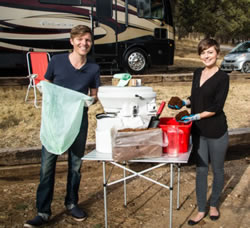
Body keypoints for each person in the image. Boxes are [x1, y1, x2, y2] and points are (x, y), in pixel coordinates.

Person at [24, 25, 100, 227]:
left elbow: (94, 95)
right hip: (55, 121)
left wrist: (90, 101)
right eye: (80, 39)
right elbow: (46, 84)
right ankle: (43, 211)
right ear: (72, 41)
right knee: (47, 167)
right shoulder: (57, 61)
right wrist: (42, 89)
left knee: (75, 165)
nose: (84, 43)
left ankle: (71, 203)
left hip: (78, 122)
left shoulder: (93, 68)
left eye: (88, 40)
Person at [168, 38, 229, 226]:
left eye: (210, 52)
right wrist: (183, 103)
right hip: (199, 132)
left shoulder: (223, 77)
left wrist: (193, 117)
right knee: (201, 170)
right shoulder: (197, 72)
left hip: (217, 130)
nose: (206, 56)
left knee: (217, 170)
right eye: (203, 52)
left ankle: (214, 205)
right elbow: (195, 97)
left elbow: (216, 107)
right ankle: (202, 209)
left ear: (217, 53)